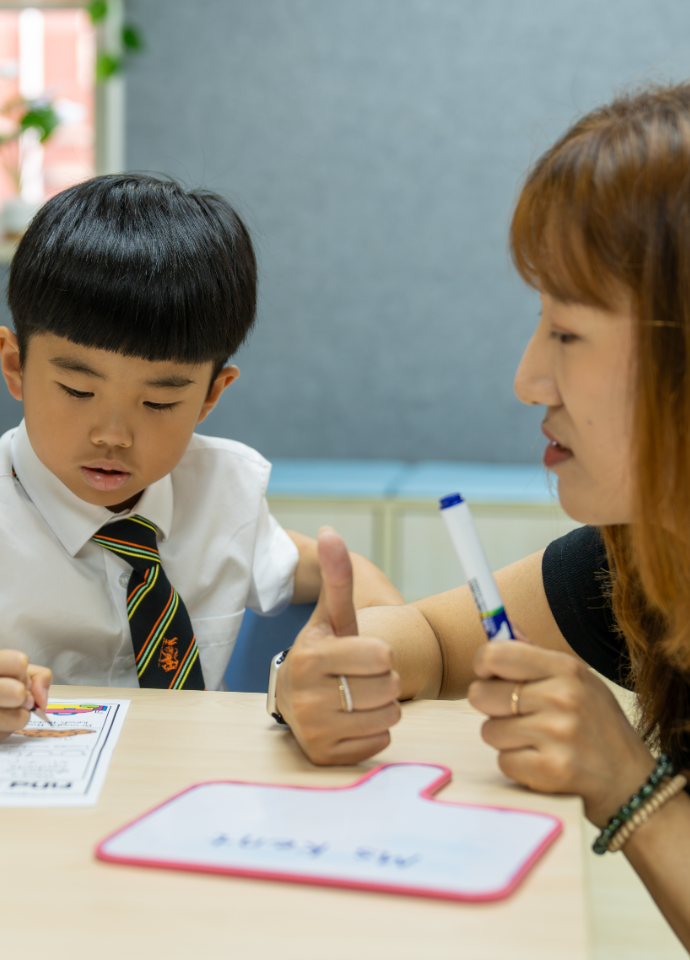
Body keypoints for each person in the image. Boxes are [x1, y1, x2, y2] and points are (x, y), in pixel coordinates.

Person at [275, 83, 690, 946]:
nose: (527, 380)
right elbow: (434, 637)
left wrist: (633, 788)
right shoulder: (648, 562)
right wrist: (324, 675)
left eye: (567, 333)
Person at [0, 173, 403, 718]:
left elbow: (336, 575)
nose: (112, 435)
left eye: (160, 402)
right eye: (77, 390)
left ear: (212, 395)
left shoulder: (220, 491)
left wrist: (385, 633)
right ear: (14, 366)